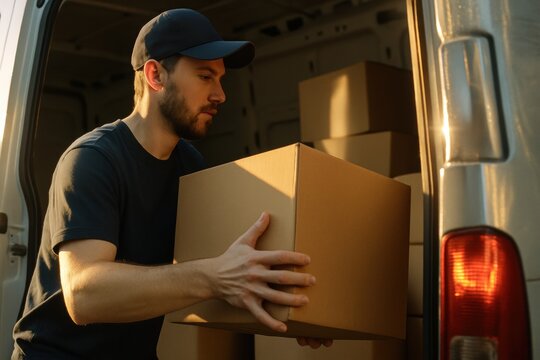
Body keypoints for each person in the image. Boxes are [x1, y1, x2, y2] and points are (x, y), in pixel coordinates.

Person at [12, 8, 332, 359]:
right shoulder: (92, 159)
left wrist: (290, 311)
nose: (220, 94)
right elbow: (84, 296)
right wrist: (213, 277)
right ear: (155, 75)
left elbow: (223, 267)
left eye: (220, 79)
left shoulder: (189, 166)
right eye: (205, 76)